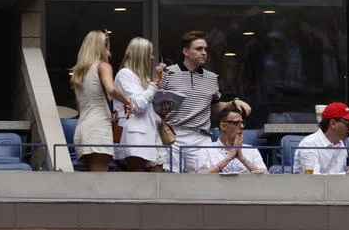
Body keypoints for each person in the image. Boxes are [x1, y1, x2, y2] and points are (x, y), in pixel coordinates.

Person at [160, 30, 252, 173]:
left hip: (200, 137)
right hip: (173, 134)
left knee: (204, 180)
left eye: (205, 49)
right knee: (170, 180)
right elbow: (156, 104)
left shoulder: (211, 78)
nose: (204, 52)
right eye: (198, 49)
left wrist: (233, 102)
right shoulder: (168, 73)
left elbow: (215, 106)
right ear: (185, 51)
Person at [69, 30, 133, 172]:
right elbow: (111, 89)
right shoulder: (103, 66)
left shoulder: (79, 73)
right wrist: (127, 101)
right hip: (99, 126)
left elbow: (79, 107)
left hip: (83, 127)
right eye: (108, 45)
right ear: (102, 46)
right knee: (100, 178)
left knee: (93, 175)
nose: (109, 48)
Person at [113, 36, 166, 173]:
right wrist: (155, 83)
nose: (153, 58)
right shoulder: (124, 75)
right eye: (150, 54)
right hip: (135, 135)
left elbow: (145, 107)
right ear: (141, 55)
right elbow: (138, 105)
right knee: (138, 182)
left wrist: (162, 111)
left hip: (150, 133)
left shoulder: (142, 79)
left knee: (158, 184)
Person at [294, 102, 349, 174]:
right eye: (348, 124)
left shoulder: (340, 144)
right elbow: (313, 179)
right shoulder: (309, 144)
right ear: (333, 123)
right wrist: (346, 175)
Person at [200, 106, 268, 174]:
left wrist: (242, 159)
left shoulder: (251, 150)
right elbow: (200, 178)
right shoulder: (206, 150)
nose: (242, 126)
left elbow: (266, 177)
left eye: (242, 123)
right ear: (223, 126)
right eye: (237, 123)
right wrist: (229, 158)